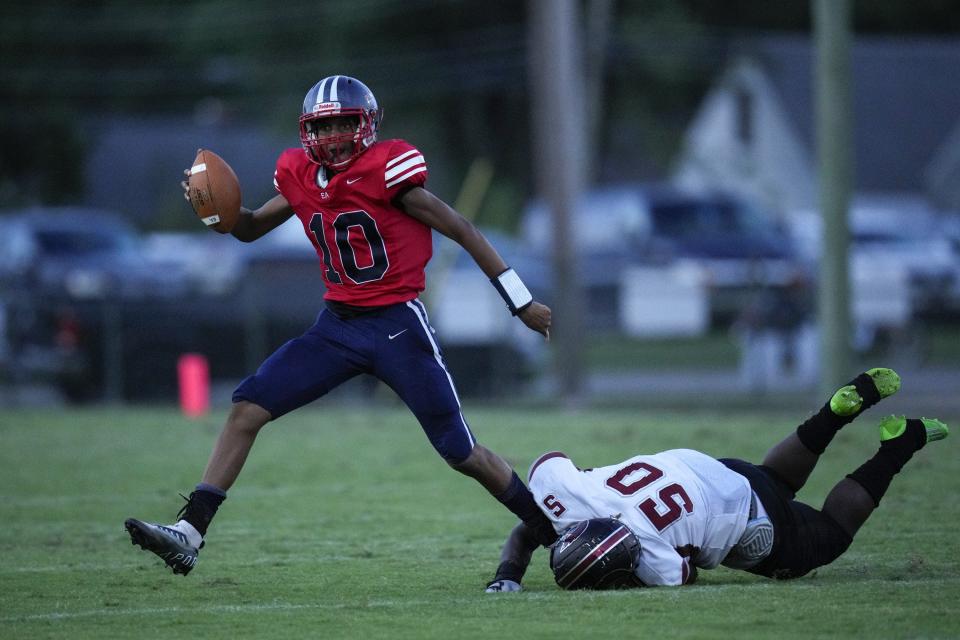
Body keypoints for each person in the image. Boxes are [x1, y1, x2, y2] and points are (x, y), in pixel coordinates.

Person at [125, 75, 559, 575]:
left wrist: (520, 302)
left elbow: (460, 228)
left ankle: (552, 533)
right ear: (308, 130)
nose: (333, 136)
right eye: (324, 125)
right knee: (247, 408)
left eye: (343, 124)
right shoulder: (299, 174)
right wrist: (214, 211)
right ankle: (190, 533)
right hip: (336, 326)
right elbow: (248, 229)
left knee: (460, 452)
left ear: (367, 125)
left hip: (397, 324)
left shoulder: (388, 171)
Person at [484, 367, 949, 591]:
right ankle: (833, 413)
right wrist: (509, 574)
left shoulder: (648, 553)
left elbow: (682, 576)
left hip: (742, 518)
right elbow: (531, 518)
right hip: (705, 468)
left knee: (829, 537)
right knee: (773, 478)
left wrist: (626, 576)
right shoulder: (574, 496)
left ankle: (900, 443)